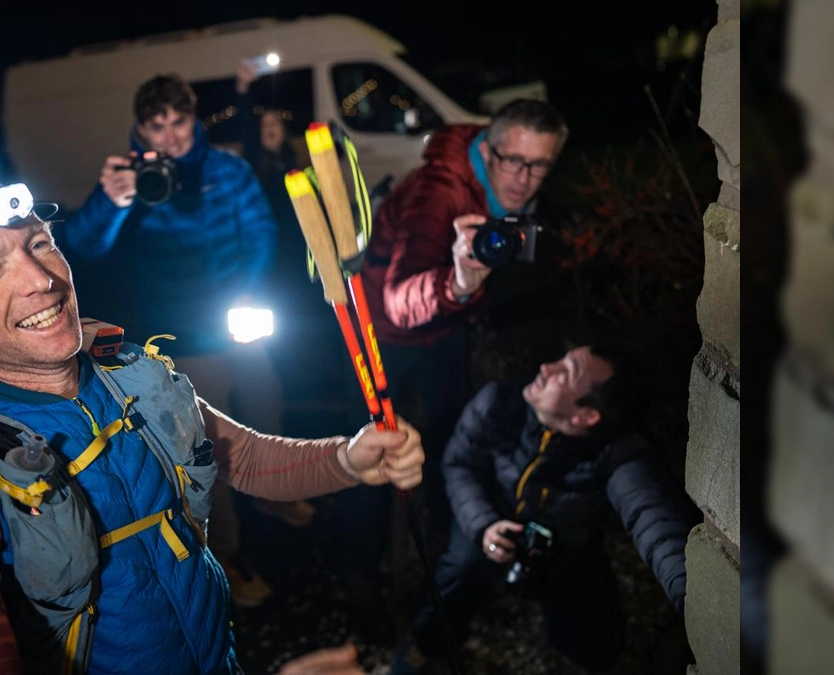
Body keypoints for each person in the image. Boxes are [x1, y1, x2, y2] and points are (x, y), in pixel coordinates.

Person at [0, 176, 425, 675]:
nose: (42, 281)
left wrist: (349, 458)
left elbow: (243, 457)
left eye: (40, 243)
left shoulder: (132, 376)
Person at [61, 72, 302, 607]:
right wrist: (111, 201)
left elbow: (261, 231)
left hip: (237, 320)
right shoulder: (132, 177)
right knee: (207, 444)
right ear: (142, 130)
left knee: (267, 401)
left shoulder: (227, 169)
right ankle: (231, 551)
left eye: (178, 123)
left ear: (193, 119)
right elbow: (83, 245)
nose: (170, 137)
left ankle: (273, 492)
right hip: (179, 335)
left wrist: (251, 286)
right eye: (157, 127)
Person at [335, 99, 570, 635]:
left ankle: (450, 582)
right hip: (380, 336)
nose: (523, 179)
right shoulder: (436, 192)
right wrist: (459, 284)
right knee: (368, 461)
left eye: (539, 166)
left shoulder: (504, 184)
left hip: (444, 330)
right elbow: (397, 299)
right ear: (487, 149)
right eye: (512, 161)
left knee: (448, 445)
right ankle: (364, 596)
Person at [392, 342, 692, 674]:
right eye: (560, 360)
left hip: (562, 540)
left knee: (592, 616)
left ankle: (594, 662)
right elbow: (460, 463)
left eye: (566, 373)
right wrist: (483, 525)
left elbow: (654, 520)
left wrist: (694, 597)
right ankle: (425, 645)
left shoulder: (616, 451)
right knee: (459, 569)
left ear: (586, 416)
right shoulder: (498, 403)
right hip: (491, 515)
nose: (546, 368)